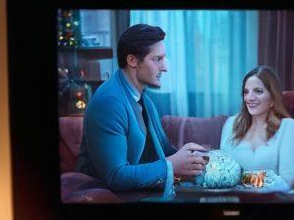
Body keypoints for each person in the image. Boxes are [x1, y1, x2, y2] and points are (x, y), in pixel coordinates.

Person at [75, 23, 209, 197]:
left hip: (138, 192)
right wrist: (171, 165)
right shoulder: (109, 102)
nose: (165, 67)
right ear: (132, 61)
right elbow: (116, 176)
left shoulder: (144, 99)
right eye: (157, 59)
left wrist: (193, 158)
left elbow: (164, 151)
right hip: (103, 196)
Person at [219, 66, 294, 191]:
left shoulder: (288, 127)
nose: (249, 98)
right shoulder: (231, 124)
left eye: (258, 91)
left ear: (273, 97)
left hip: (272, 200)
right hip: (234, 198)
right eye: (246, 92)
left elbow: (286, 182)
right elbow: (223, 175)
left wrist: (242, 179)